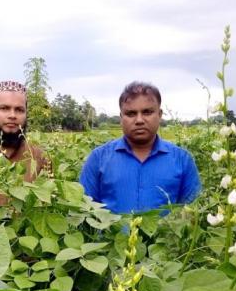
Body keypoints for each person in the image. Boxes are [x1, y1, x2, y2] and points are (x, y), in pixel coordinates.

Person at [79, 81, 201, 213]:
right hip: (113, 235)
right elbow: (85, 210)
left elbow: (191, 212)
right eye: (131, 114)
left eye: (147, 112)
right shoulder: (98, 158)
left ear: (159, 115)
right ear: (121, 117)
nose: (139, 120)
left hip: (165, 234)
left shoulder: (182, 160)